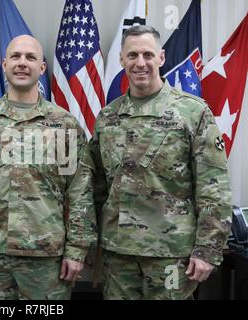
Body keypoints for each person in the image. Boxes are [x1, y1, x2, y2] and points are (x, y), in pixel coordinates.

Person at [0, 35, 97, 300]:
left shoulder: (64, 125)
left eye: (30, 57)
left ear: (42, 67)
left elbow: (79, 192)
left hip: (47, 259)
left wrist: (76, 250)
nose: (22, 63)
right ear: (4, 64)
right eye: (15, 57)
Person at [88, 25, 232, 300]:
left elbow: (213, 187)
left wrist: (207, 250)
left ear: (161, 58)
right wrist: (88, 244)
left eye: (147, 54)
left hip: (171, 254)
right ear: (121, 59)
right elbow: (95, 187)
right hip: (118, 254)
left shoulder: (192, 112)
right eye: (132, 55)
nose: (140, 63)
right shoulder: (108, 117)